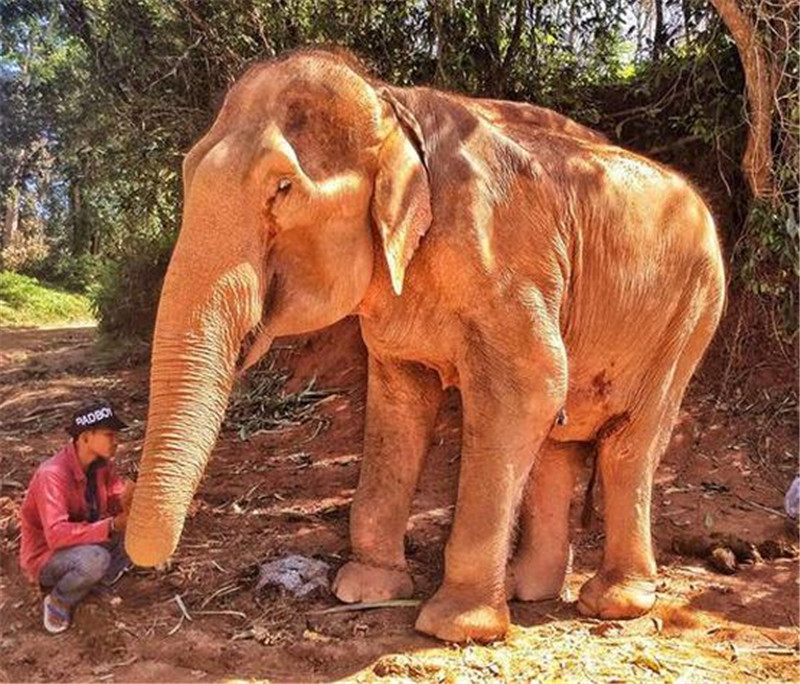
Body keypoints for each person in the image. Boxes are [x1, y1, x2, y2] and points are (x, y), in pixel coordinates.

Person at [19, 400, 135, 634]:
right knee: (95, 558)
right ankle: (59, 600)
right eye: (109, 435)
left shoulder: (103, 467)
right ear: (85, 437)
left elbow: (115, 503)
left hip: (85, 542)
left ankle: (93, 583)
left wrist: (131, 501)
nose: (116, 441)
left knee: (136, 539)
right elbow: (56, 536)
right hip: (48, 556)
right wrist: (112, 525)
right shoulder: (51, 476)